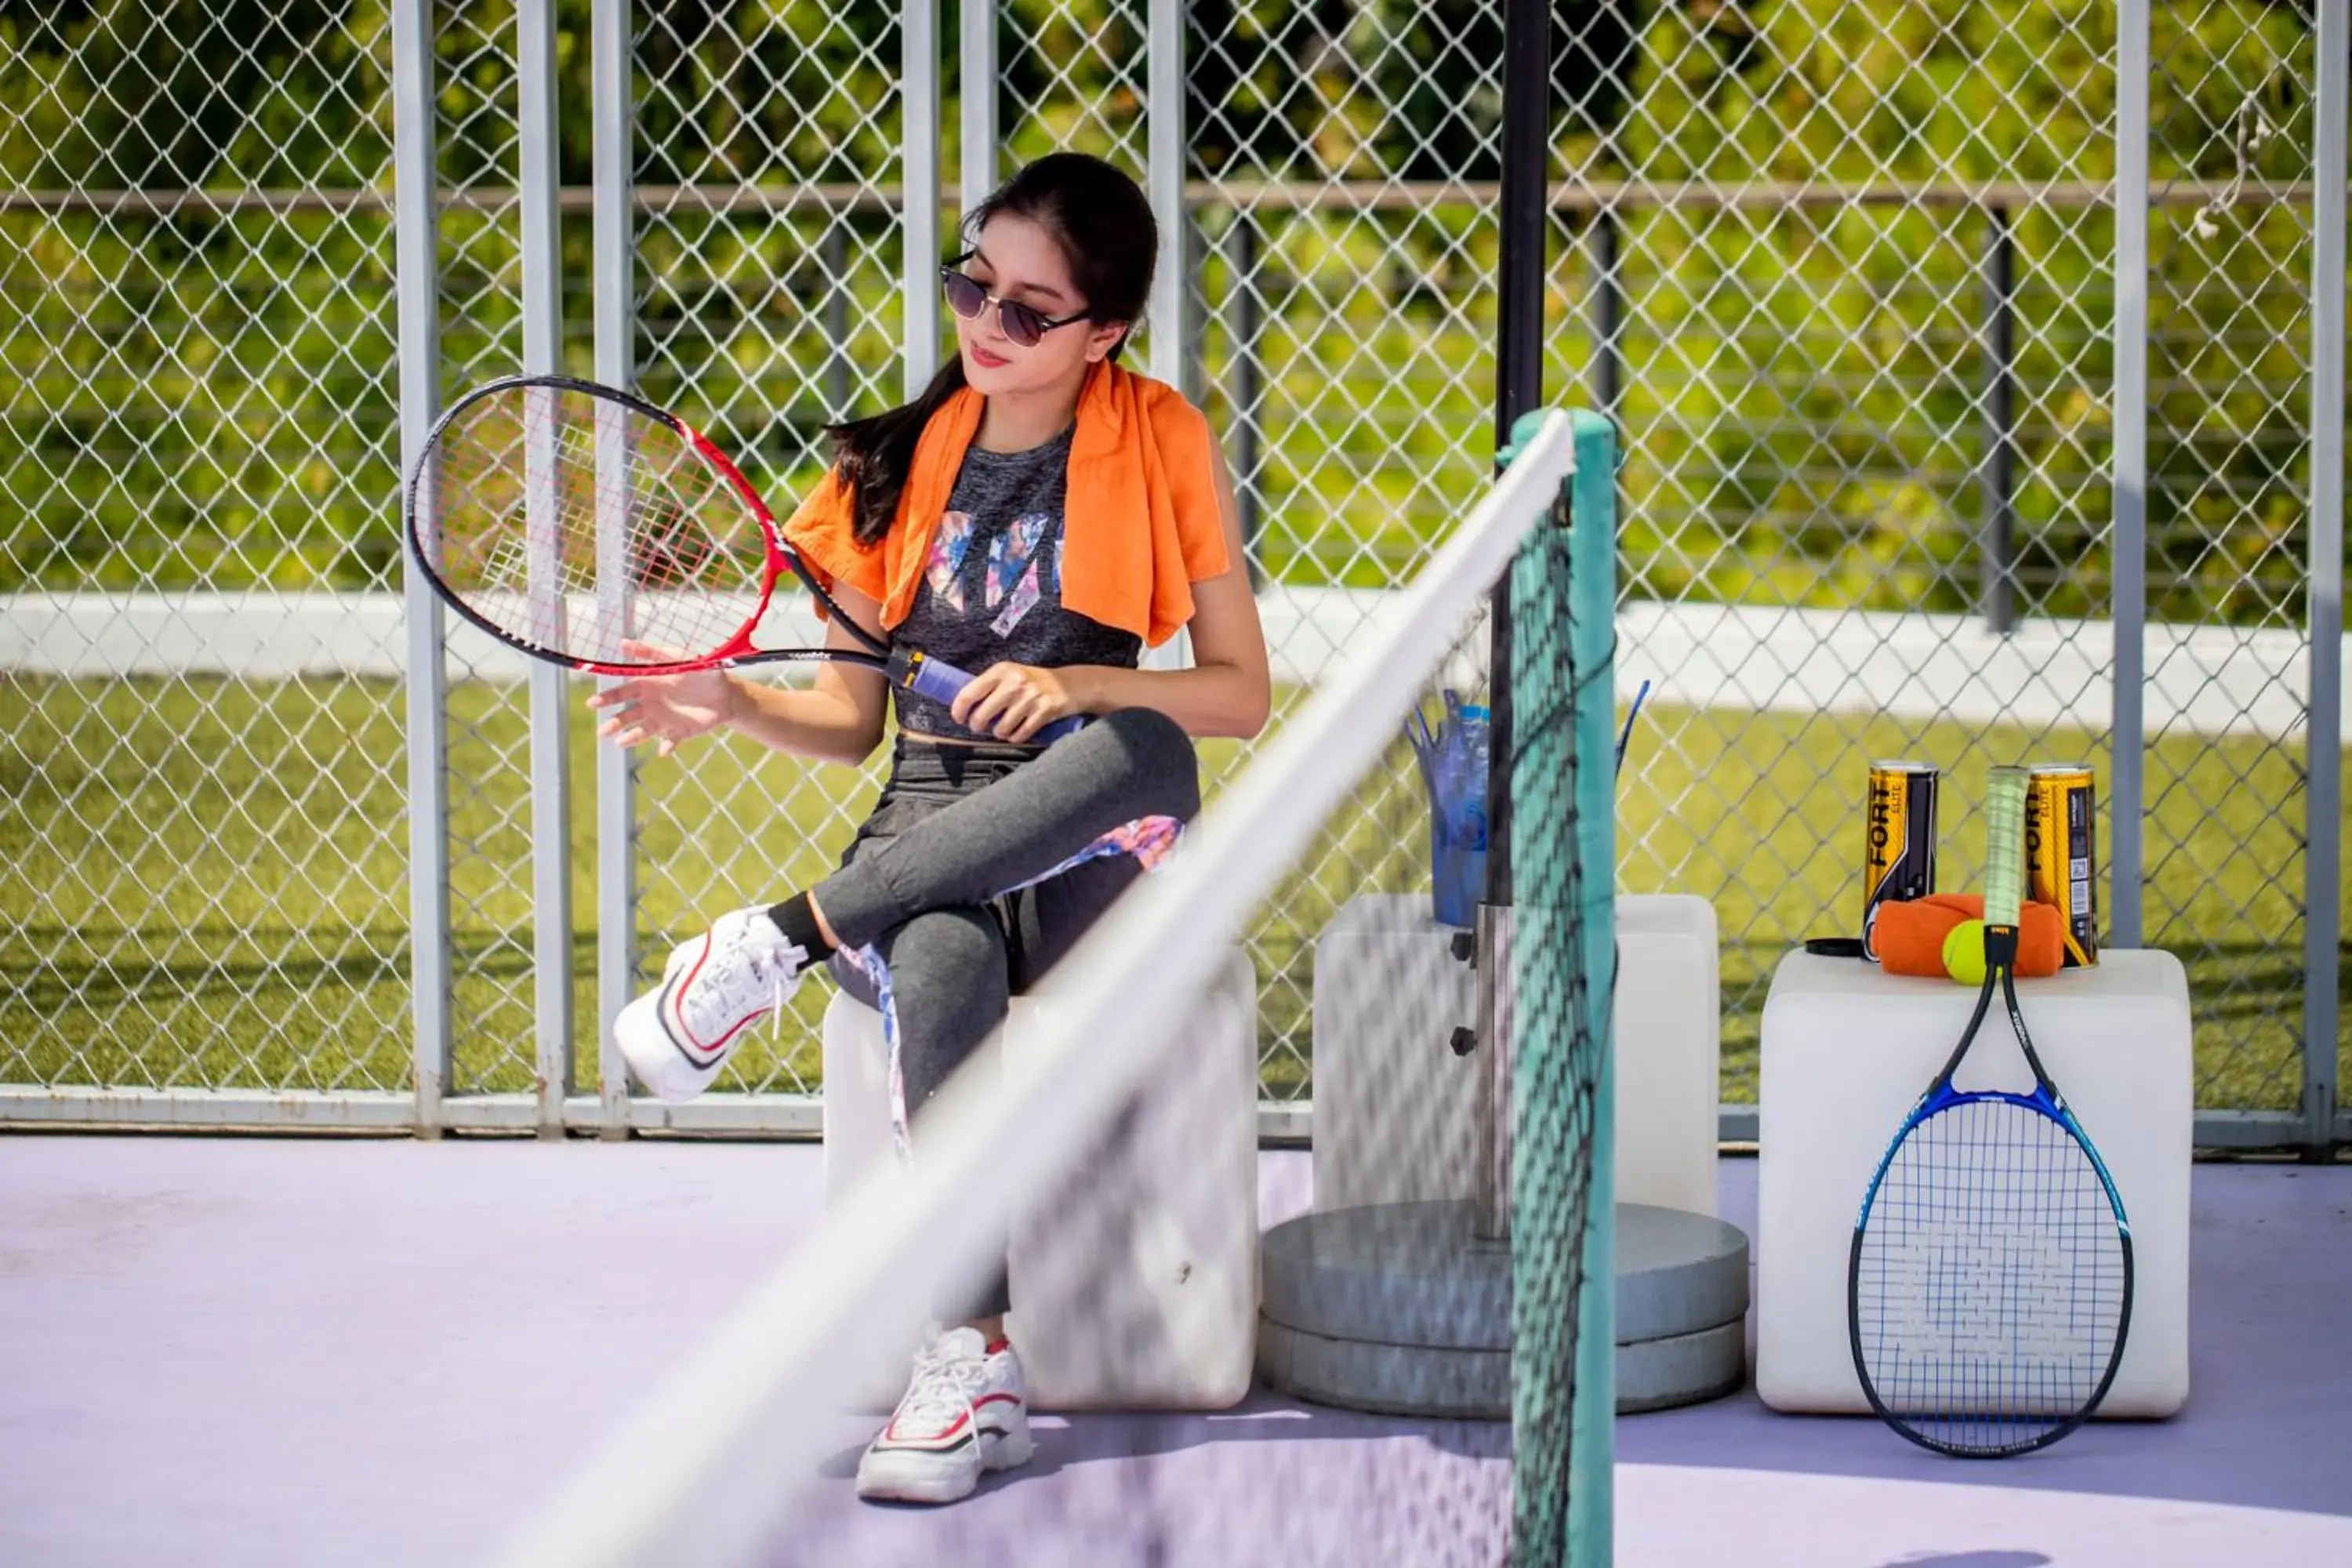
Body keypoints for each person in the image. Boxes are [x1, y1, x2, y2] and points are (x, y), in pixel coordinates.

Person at [584, 151, 1271, 1507]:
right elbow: (849, 721)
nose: (986, 325)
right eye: (974, 285)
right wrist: (726, 700)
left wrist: (1083, 682)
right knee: (945, 951)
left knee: (1152, 748)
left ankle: (775, 945)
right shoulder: (878, 467)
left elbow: (1237, 696)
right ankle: (971, 1363)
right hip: (921, 836)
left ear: (1106, 332)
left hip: (1086, 836)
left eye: (1029, 309)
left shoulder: (1162, 435)